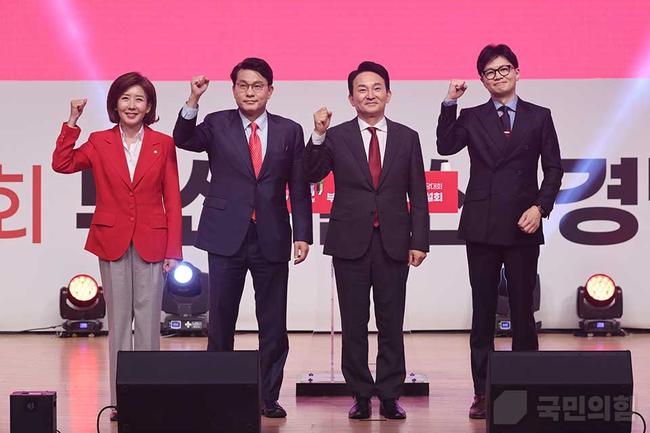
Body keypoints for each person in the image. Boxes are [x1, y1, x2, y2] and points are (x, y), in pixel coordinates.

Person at [172, 57, 313, 418]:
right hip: (225, 236)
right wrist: (193, 100)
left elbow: (298, 186)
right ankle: (218, 394)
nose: (250, 92)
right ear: (233, 89)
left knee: (273, 323)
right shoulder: (215, 123)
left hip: (272, 236)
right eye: (243, 85)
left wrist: (303, 234)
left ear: (270, 90)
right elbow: (183, 139)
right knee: (221, 321)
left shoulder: (290, 130)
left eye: (257, 86)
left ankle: (268, 396)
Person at [436, 44, 564, 419]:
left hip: (524, 223)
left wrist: (540, 208)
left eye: (504, 69)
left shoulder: (540, 116)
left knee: (523, 311)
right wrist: (449, 102)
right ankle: (483, 391)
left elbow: (554, 168)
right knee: (484, 312)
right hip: (482, 225)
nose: (498, 76)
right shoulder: (472, 116)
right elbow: (446, 145)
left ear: (517, 72)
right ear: (482, 80)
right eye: (490, 72)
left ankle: (528, 387)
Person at [52, 72, 183, 421]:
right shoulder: (99, 141)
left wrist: (173, 251)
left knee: (149, 326)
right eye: (125, 98)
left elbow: (172, 198)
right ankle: (122, 401)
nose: (132, 105)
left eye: (139, 99)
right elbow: (62, 163)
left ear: (149, 106)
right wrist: (72, 121)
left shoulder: (163, 143)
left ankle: (149, 399)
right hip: (112, 241)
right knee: (120, 325)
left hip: (152, 241)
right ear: (114, 104)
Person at [303, 61, 429, 420]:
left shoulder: (407, 137)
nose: (370, 94)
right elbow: (311, 172)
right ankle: (360, 394)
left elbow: (418, 194)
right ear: (351, 99)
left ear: (388, 94)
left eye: (376, 88)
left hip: (393, 242)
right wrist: (318, 135)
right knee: (354, 324)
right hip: (349, 242)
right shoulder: (336, 136)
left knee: (391, 322)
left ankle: (389, 395)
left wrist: (419, 240)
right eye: (362, 89)